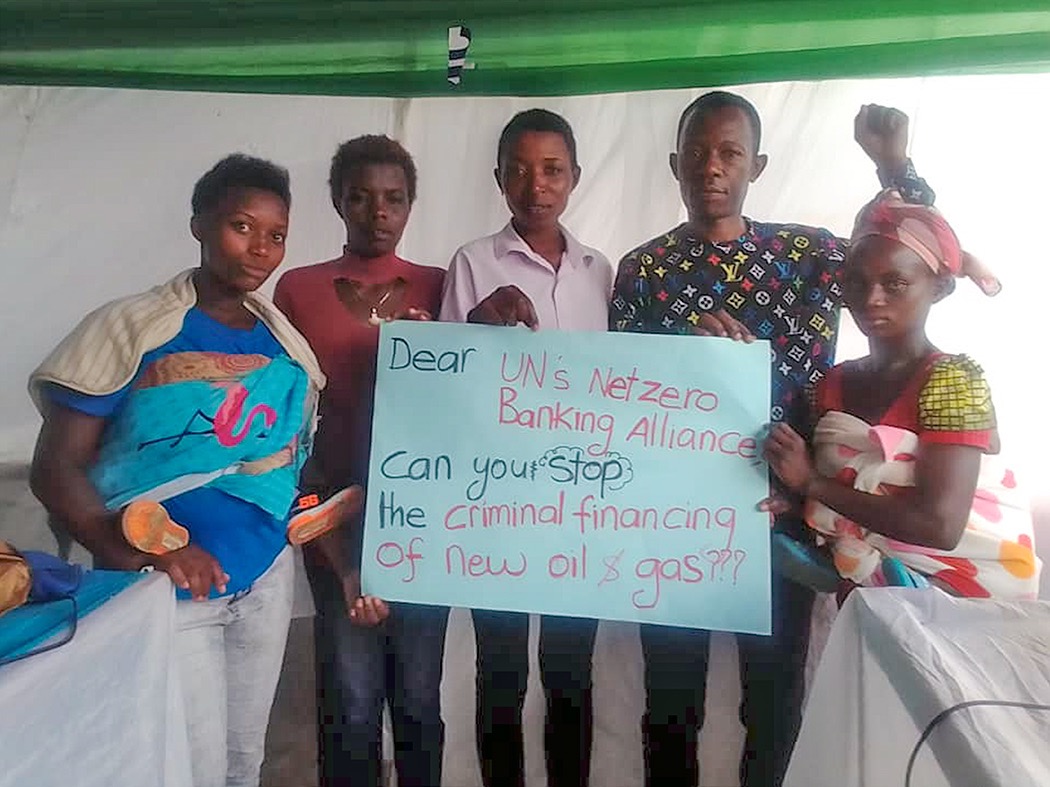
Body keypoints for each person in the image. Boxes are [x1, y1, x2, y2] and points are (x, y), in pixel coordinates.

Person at [606, 91, 968, 787]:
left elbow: (907, 250)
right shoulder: (644, 270)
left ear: (758, 165)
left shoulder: (808, 254)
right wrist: (686, 356)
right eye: (698, 153)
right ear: (675, 164)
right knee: (670, 702)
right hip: (671, 521)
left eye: (730, 152)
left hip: (791, 515)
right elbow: (620, 394)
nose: (712, 167)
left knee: (772, 702)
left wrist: (895, 166)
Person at [28, 154, 327, 787]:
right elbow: (55, 469)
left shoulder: (283, 343)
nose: (261, 248)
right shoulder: (131, 329)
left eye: (276, 235)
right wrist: (140, 553)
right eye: (242, 227)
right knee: (191, 769)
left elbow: (285, 453)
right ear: (199, 225)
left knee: (243, 764)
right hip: (167, 588)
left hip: (264, 575)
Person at [440, 108, 611, 787]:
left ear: (575, 176)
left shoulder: (601, 270)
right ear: (498, 178)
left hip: (583, 506)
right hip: (500, 501)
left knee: (571, 671)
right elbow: (443, 380)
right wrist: (479, 323)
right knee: (502, 672)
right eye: (518, 169)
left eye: (551, 170)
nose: (535, 185)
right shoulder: (472, 262)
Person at [763, 188, 1040, 600]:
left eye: (895, 283)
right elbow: (847, 498)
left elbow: (940, 526)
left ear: (938, 288)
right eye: (858, 282)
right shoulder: (831, 384)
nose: (872, 298)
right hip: (865, 598)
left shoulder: (953, 382)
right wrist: (791, 500)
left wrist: (811, 484)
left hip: (952, 609)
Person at [273, 135, 447, 787]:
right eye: (361, 197)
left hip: (425, 517)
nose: (379, 212)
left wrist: (447, 341)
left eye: (394, 198)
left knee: (420, 698)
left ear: (411, 204)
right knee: (349, 700)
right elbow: (285, 415)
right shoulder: (297, 289)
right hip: (333, 509)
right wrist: (337, 551)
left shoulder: (440, 284)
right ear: (337, 201)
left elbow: (471, 399)